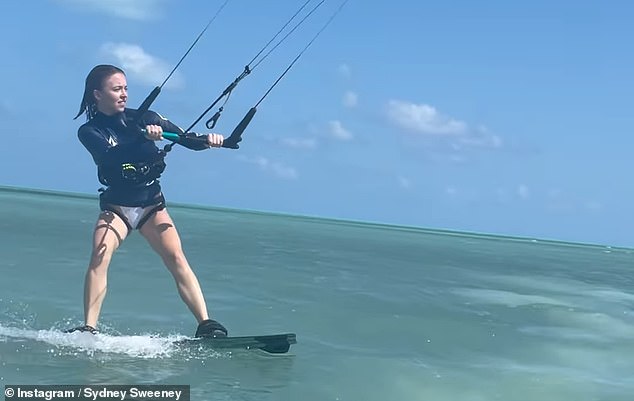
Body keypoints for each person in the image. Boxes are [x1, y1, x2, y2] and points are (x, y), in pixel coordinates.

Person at [66, 64, 227, 338]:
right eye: (117, 89)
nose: (124, 94)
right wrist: (144, 139)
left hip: (151, 205)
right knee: (99, 256)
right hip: (116, 208)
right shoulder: (89, 131)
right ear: (97, 94)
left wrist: (210, 140)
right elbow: (109, 157)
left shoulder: (148, 117)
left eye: (126, 88)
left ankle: (206, 324)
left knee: (176, 256)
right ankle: (89, 328)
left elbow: (187, 139)